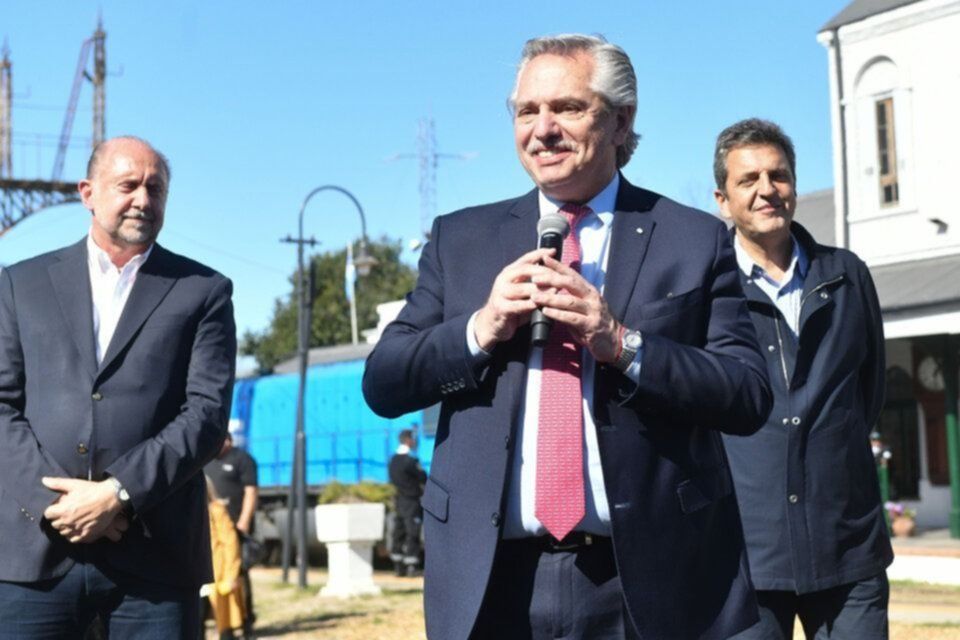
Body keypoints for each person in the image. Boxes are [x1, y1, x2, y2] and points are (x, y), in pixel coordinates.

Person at [363, 34, 772, 639]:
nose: (543, 129)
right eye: (526, 111)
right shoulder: (461, 240)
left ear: (620, 120)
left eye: (568, 108)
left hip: (644, 585)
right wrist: (481, 327)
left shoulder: (692, 238)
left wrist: (621, 344)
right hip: (490, 585)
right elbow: (384, 382)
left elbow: (746, 394)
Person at [0, 136, 237, 638]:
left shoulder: (203, 291)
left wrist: (117, 494)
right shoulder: (19, 285)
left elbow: (206, 414)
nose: (143, 200)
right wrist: (60, 506)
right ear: (87, 193)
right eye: (128, 185)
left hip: (155, 556)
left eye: (156, 189)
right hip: (33, 554)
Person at [713, 119, 892, 639]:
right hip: (745, 556)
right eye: (748, 179)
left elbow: (868, 393)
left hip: (848, 549)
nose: (767, 189)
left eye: (779, 175)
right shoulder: (708, 289)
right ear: (723, 200)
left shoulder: (847, 275)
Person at [205, 431, 259, 632]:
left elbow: (251, 492)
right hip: (214, 529)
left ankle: (246, 620)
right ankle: (221, 621)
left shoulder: (242, 459)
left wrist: (244, 521)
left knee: (239, 575)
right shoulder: (207, 461)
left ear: (227, 440)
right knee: (216, 578)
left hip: (236, 525)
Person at [203, 477, 248, 640]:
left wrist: (232, 574)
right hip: (200, 575)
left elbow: (230, 542)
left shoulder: (216, 509)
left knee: (224, 623)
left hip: (218, 573)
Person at [388, 428, 427, 577]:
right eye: (413, 438)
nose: (415, 441)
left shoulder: (393, 460)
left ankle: (398, 567)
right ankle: (412, 566)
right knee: (412, 532)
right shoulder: (410, 461)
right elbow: (423, 477)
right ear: (408, 440)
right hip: (412, 501)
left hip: (399, 500)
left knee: (399, 531)